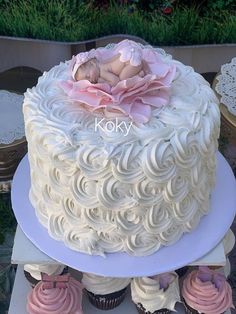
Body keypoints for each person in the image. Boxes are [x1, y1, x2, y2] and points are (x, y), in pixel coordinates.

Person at [72, 44, 148, 86]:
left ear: (93, 63)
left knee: (122, 78)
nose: (90, 80)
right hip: (129, 52)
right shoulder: (103, 62)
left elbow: (116, 81)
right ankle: (140, 63)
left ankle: (139, 73)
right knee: (117, 57)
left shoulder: (102, 71)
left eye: (87, 76)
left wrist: (103, 82)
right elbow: (115, 57)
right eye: (87, 81)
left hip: (130, 61)